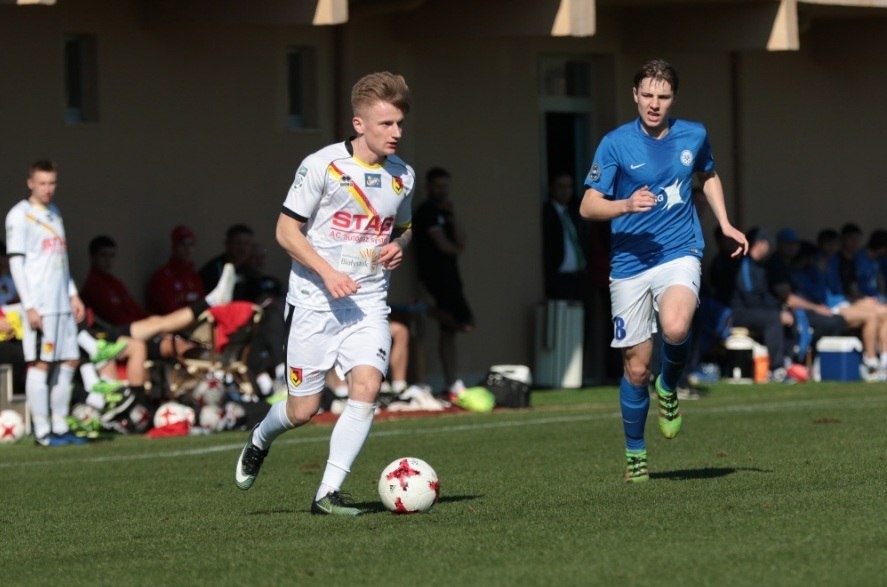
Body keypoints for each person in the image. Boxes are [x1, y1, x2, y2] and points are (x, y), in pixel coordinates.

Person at [234, 71, 415, 515]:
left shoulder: (404, 175)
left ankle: (326, 494)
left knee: (366, 388)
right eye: (386, 124)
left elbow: (405, 228)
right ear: (359, 124)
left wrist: (399, 245)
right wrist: (328, 273)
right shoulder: (323, 166)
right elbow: (285, 232)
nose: (396, 132)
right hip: (315, 304)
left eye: (399, 123)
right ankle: (260, 436)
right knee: (303, 410)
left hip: (368, 303)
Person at [578, 59, 747, 483]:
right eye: (648, 95)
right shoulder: (615, 144)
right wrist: (624, 205)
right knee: (636, 368)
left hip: (679, 250)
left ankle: (669, 385)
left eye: (663, 96)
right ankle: (636, 452)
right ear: (635, 95)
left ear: (674, 98)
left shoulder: (694, 134)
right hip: (629, 263)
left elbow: (707, 174)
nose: (655, 104)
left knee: (675, 326)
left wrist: (725, 223)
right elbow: (587, 205)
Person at [5, 159, 90, 446]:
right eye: (42, 183)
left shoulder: (55, 212)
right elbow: (17, 264)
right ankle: (42, 431)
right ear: (30, 183)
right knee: (41, 363)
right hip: (40, 304)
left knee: (69, 359)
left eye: (52, 183)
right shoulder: (20, 215)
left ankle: (60, 424)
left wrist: (73, 294)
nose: (47, 189)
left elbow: (60, 262)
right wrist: (29, 306)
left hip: (61, 302)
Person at [412, 166, 474, 392]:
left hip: (451, 275)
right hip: (435, 276)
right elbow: (445, 246)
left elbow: (461, 241)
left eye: (445, 186)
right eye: (438, 186)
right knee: (464, 323)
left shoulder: (446, 211)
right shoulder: (426, 212)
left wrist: (454, 215)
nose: (442, 190)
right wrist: (456, 249)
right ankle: (422, 309)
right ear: (429, 187)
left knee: (448, 332)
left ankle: (451, 380)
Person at [542, 172, 587, 301]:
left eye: (568, 186)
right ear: (552, 188)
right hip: (559, 278)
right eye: (560, 186)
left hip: (578, 276)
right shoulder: (547, 213)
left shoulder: (573, 213)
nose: (565, 191)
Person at [146, 225, 205, 315]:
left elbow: (202, 305)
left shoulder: (194, 277)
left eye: (191, 244)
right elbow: (169, 311)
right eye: (182, 244)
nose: (187, 249)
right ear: (174, 247)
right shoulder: (163, 277)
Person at [199, 223, 256, 300]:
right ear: (227, 244)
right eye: (238, 243)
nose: (243, 249)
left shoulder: (250, 272)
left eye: (247, 244)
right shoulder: (212, 270)